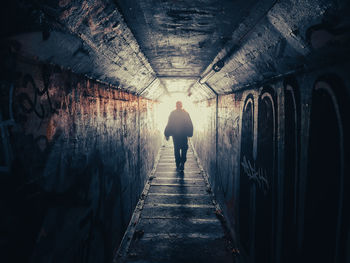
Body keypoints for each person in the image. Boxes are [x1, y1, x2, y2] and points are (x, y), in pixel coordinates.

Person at [164, 101, 193, 172]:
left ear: (176, 106)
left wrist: (167, 134)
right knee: (184, 148)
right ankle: (182, 163)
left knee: (176, 149)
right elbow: (190, 124)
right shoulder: (185, 113)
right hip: (183, 135)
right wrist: (189, 134)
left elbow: (169, 123)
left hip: (176, 135)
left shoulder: (173, 113)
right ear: (181, 106)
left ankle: (178, 163)